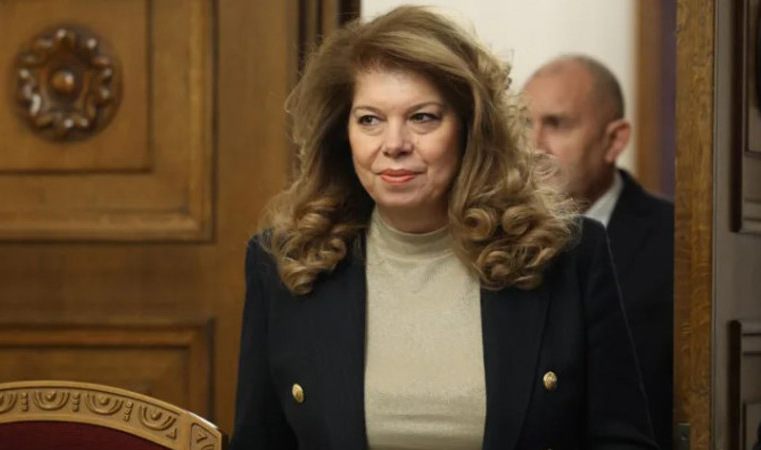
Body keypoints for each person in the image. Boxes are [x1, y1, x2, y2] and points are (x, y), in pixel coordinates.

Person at [230, 6, 657, 449]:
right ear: (344, 133)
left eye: (423, 117)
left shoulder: (568, 255)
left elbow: (622, 441)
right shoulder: (284, 263)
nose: (394, 144)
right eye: (370, 119)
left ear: (470, 128)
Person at [524, 55, 674, 449]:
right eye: (522, 124)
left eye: (556, 124)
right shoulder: (487, 237)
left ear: (614, 140)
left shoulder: (679, 242)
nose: (532, 146)